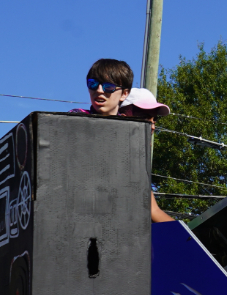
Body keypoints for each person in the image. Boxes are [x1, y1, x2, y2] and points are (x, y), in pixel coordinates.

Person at [71, 58, 174, 223]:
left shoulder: (133, 140)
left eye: (108, 87)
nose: (99, 90)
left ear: (124, 93)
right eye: (92, 84)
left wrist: (188, 238)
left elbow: (151, 208)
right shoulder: (75, 119)